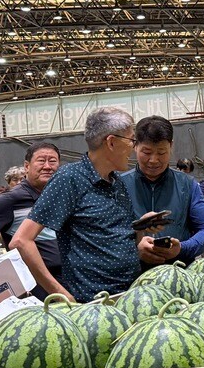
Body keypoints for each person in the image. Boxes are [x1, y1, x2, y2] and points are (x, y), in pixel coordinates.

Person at [13, 107, 162, 300]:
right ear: (111, 142)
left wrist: (142, 226)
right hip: (92, 304)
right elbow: (21, 241)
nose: (133, 147)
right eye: (131, 140)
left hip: (128, 295)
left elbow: (122, 236)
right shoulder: (69, 179)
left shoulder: (117, 182)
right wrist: (62, 295)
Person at [120, 115, 204, 266]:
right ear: (135, 146)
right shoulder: (118, 186)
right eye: (146, 152)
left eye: (161, 152)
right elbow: (106, 236)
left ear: (171, 146)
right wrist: (135, 249)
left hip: (179, 271)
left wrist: (181, 248)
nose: (153, 160)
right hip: (131, 276)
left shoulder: (188, 184)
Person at [0, 143, 62, 277]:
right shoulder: (12, 198)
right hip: (34, 281)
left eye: (52, 161)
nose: (47, 167)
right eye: (41, 161)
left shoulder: (59, 195)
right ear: (27, 166)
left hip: (67, 276)